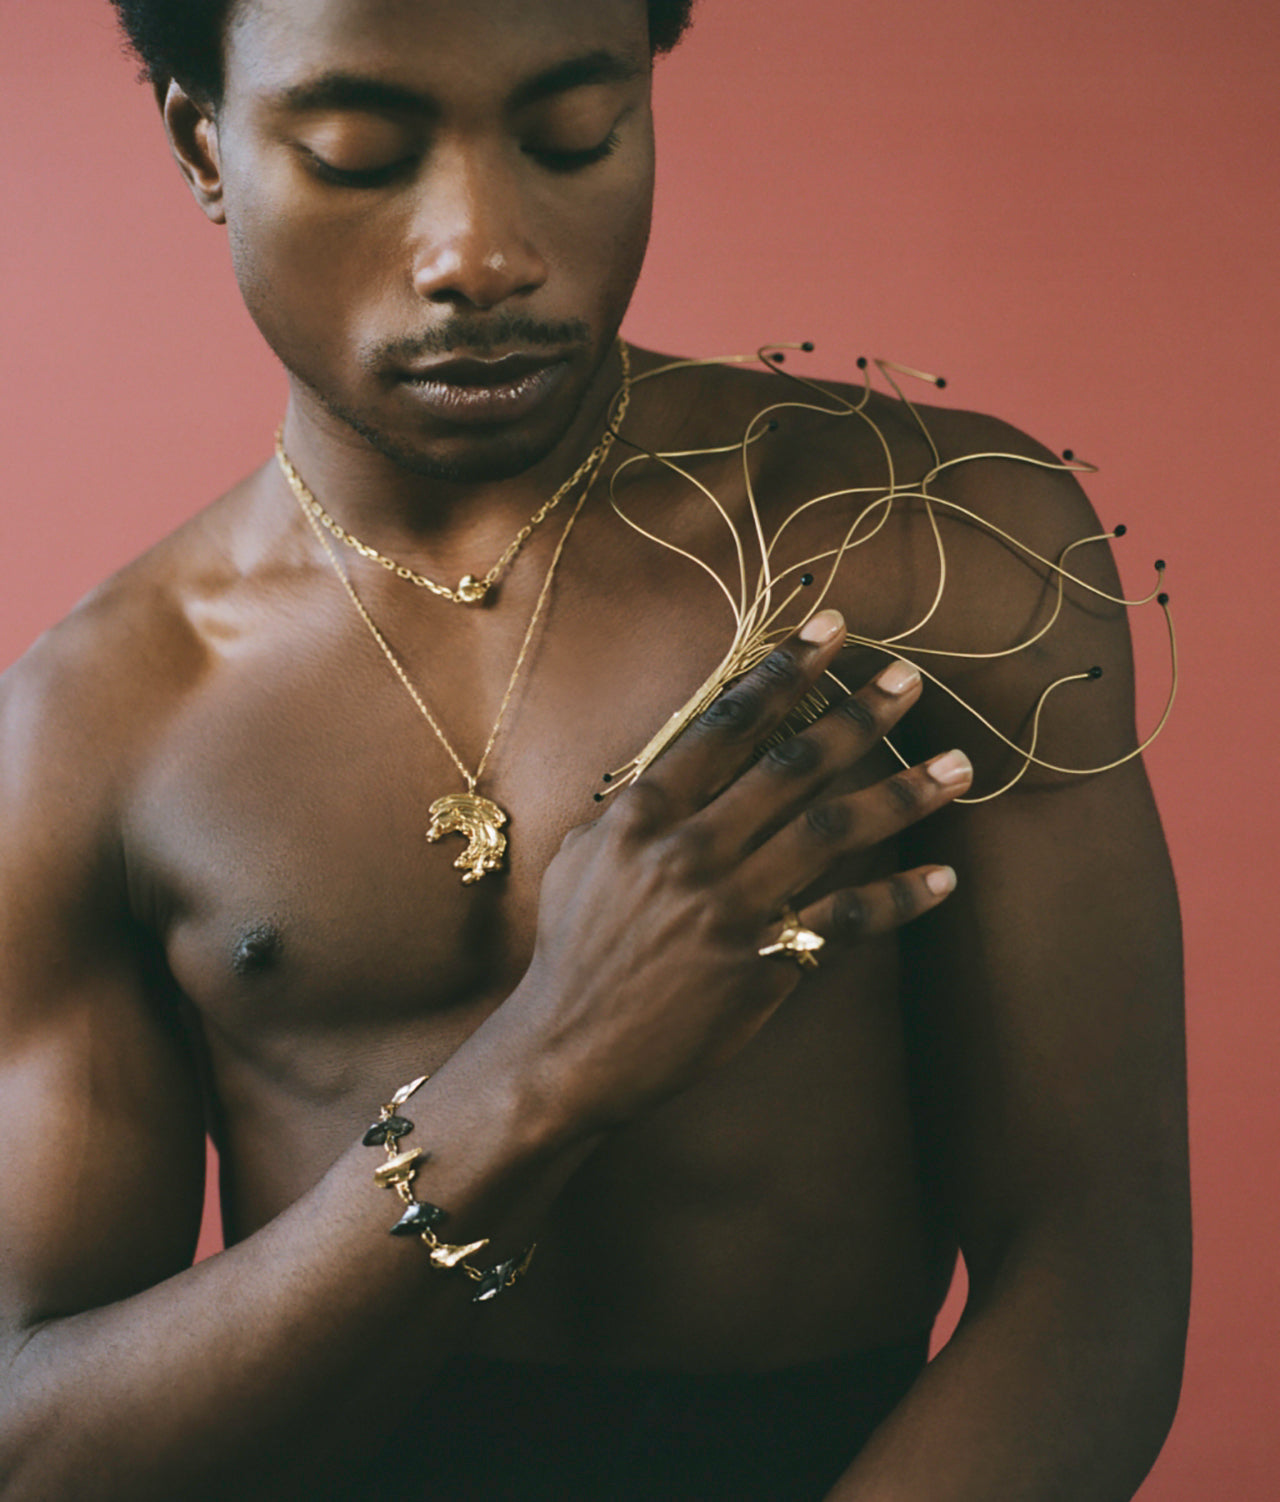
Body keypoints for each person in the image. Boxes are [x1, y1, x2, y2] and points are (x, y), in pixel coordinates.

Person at [0, 2, 1189, 1498]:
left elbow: (1095, 1266)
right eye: (363, 155)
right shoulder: (94, 724)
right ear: (204, 145)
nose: (482, 254)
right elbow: (34, 1437)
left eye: (576, 133)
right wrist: (538, 1072)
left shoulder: (930, 545)